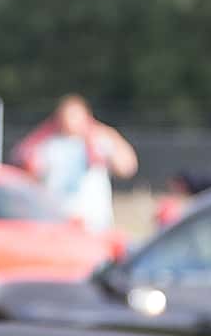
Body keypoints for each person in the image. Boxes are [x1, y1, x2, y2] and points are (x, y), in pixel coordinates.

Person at [16, 96, 137, 242]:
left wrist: (106, 133)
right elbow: (25, 169)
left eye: (76, 116)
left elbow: (127, 167)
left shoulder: (99, 140)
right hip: (59, 224)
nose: (71, 121)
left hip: (94, 224)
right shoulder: (47, 145)